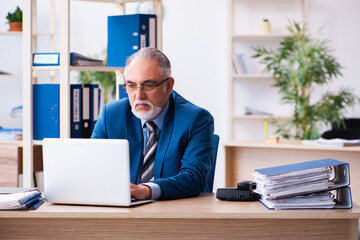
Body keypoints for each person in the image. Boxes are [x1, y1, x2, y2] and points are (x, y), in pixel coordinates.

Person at [91, 47, 214, 200]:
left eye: (148, 85)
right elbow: (92, 167)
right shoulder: (111, 115)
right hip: (123, 210)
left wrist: (146, 190)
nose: (139, 95)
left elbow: (194, 178)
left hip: (177, 211)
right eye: (131, 85)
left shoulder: (196, 119)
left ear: (168, 86)